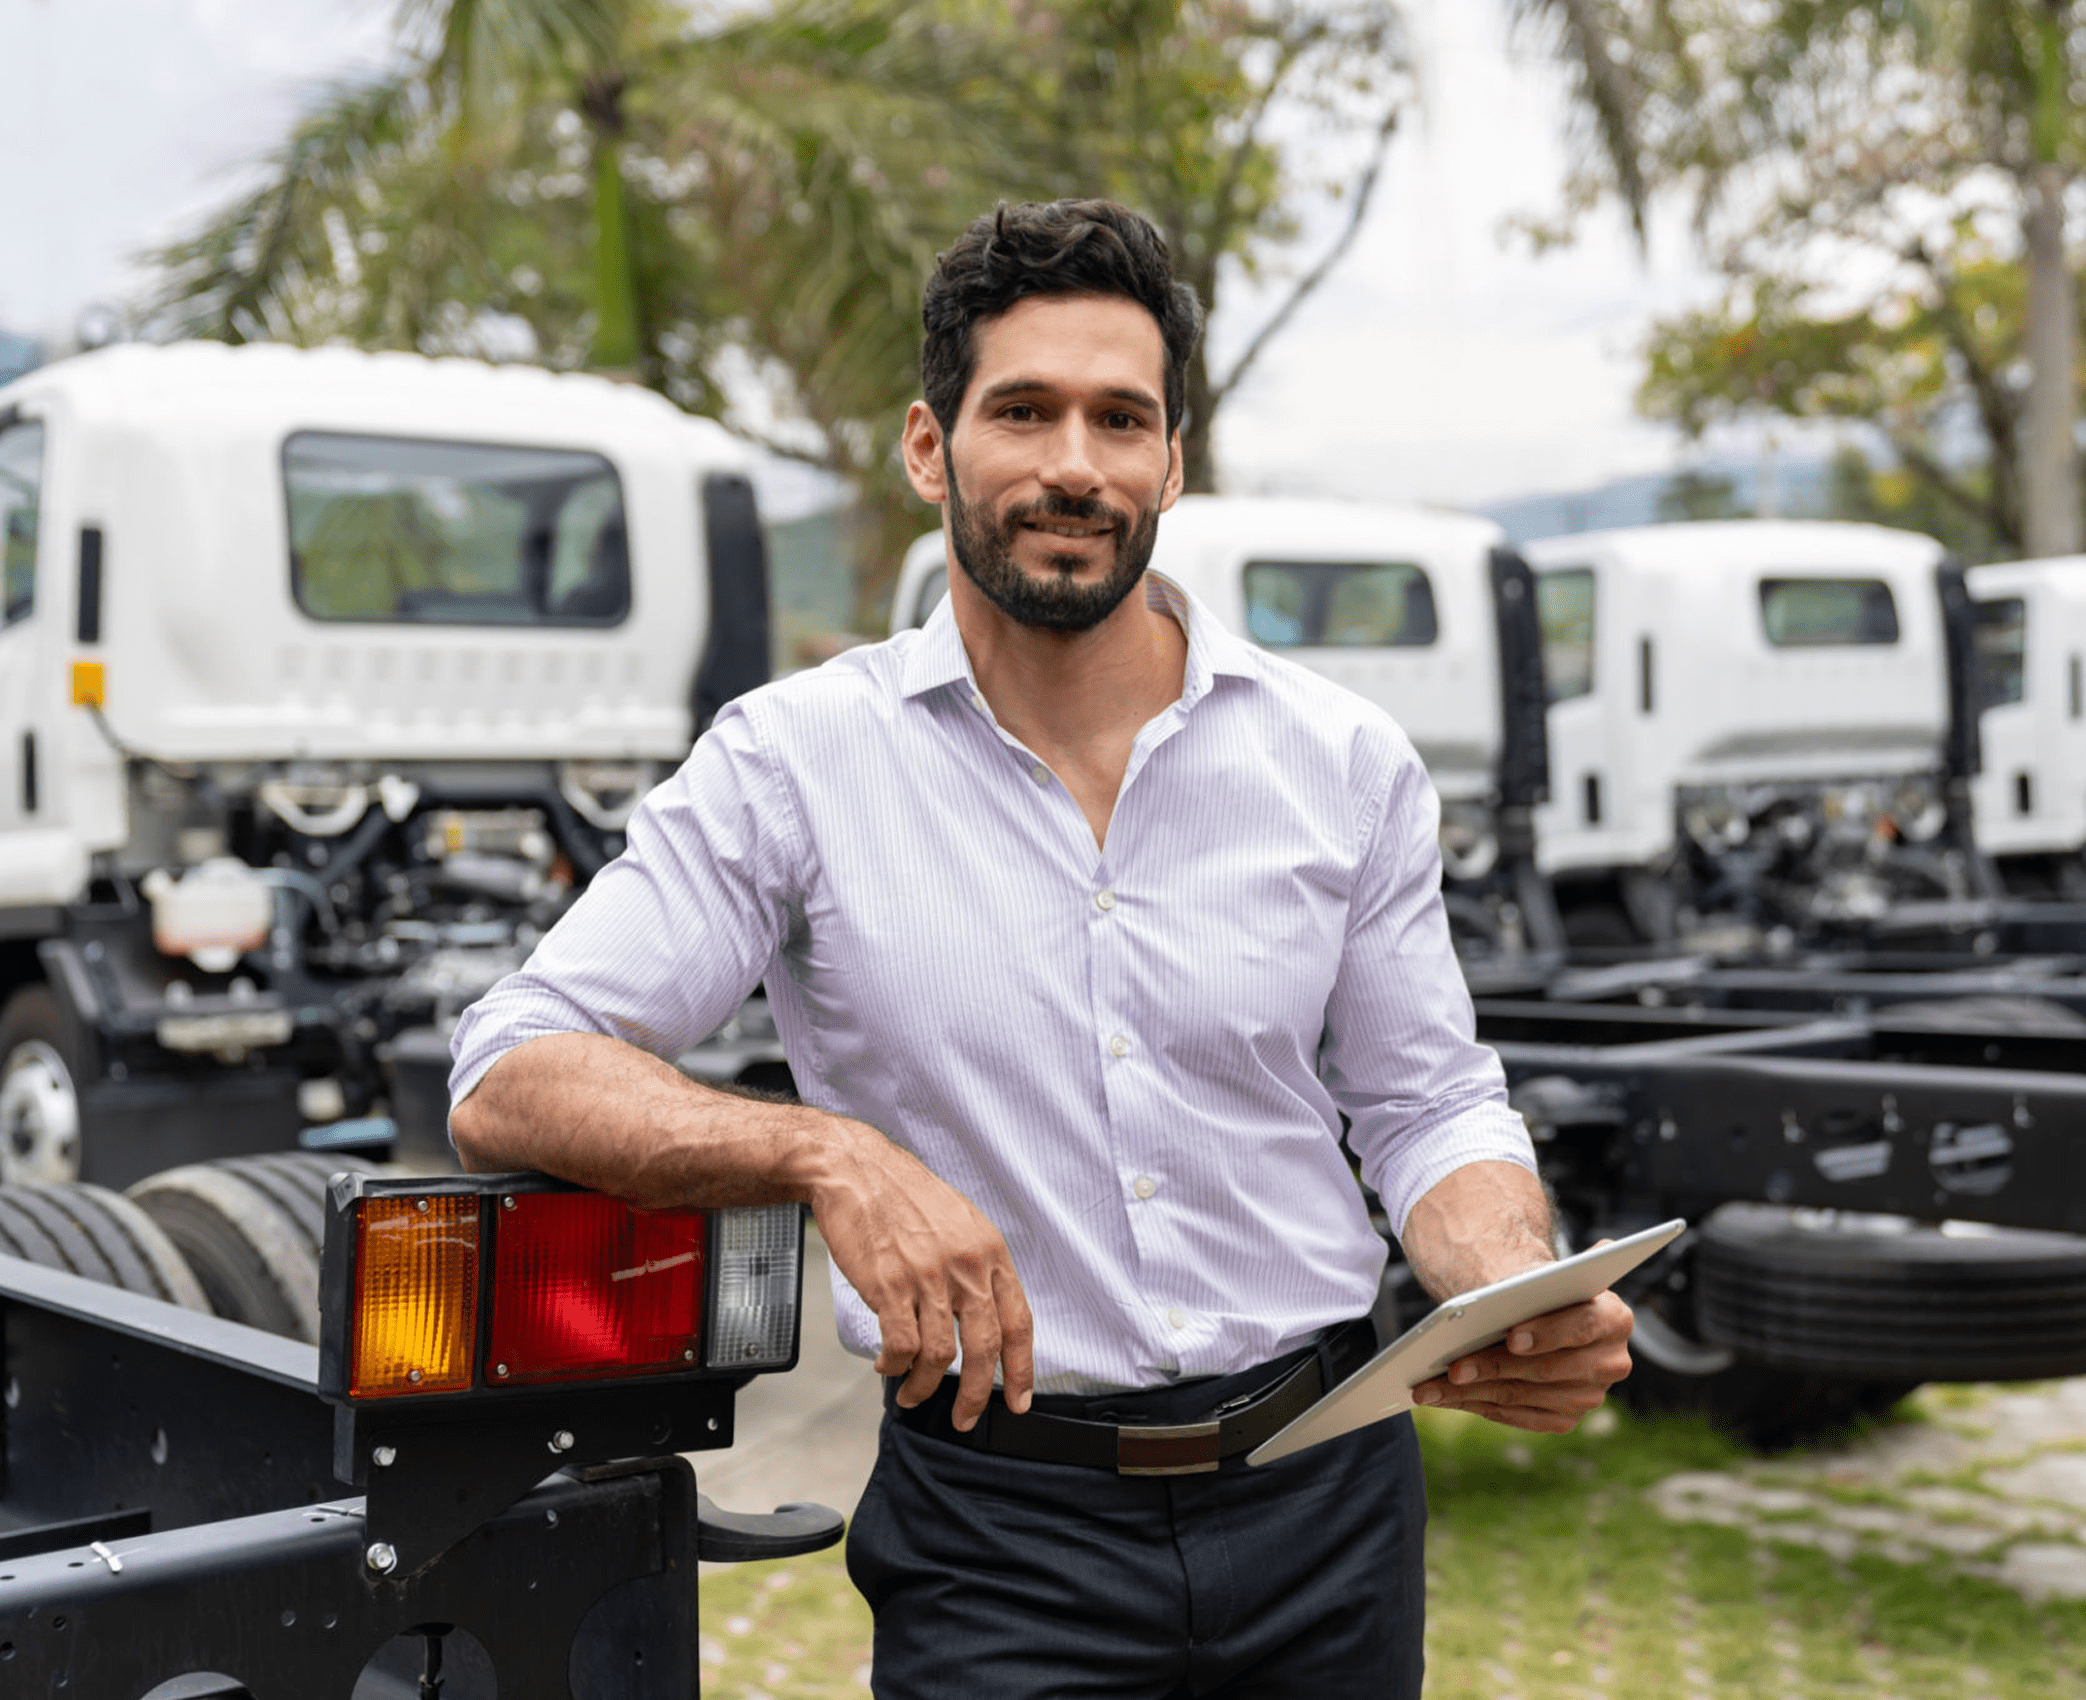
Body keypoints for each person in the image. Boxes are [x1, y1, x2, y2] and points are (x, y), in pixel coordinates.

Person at [447, 196, 1633, 1698]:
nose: (1076, 464)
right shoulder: (793, 762)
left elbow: (1426, 1102)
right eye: (1025, 411)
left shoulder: (1344, 760)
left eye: (1120, 420)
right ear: (932, 448)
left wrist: (1502, 1284)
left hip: (1329, 1497)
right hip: (1001, 1531)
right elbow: (510, 1067)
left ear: (1172, 464)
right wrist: (831, 1158)